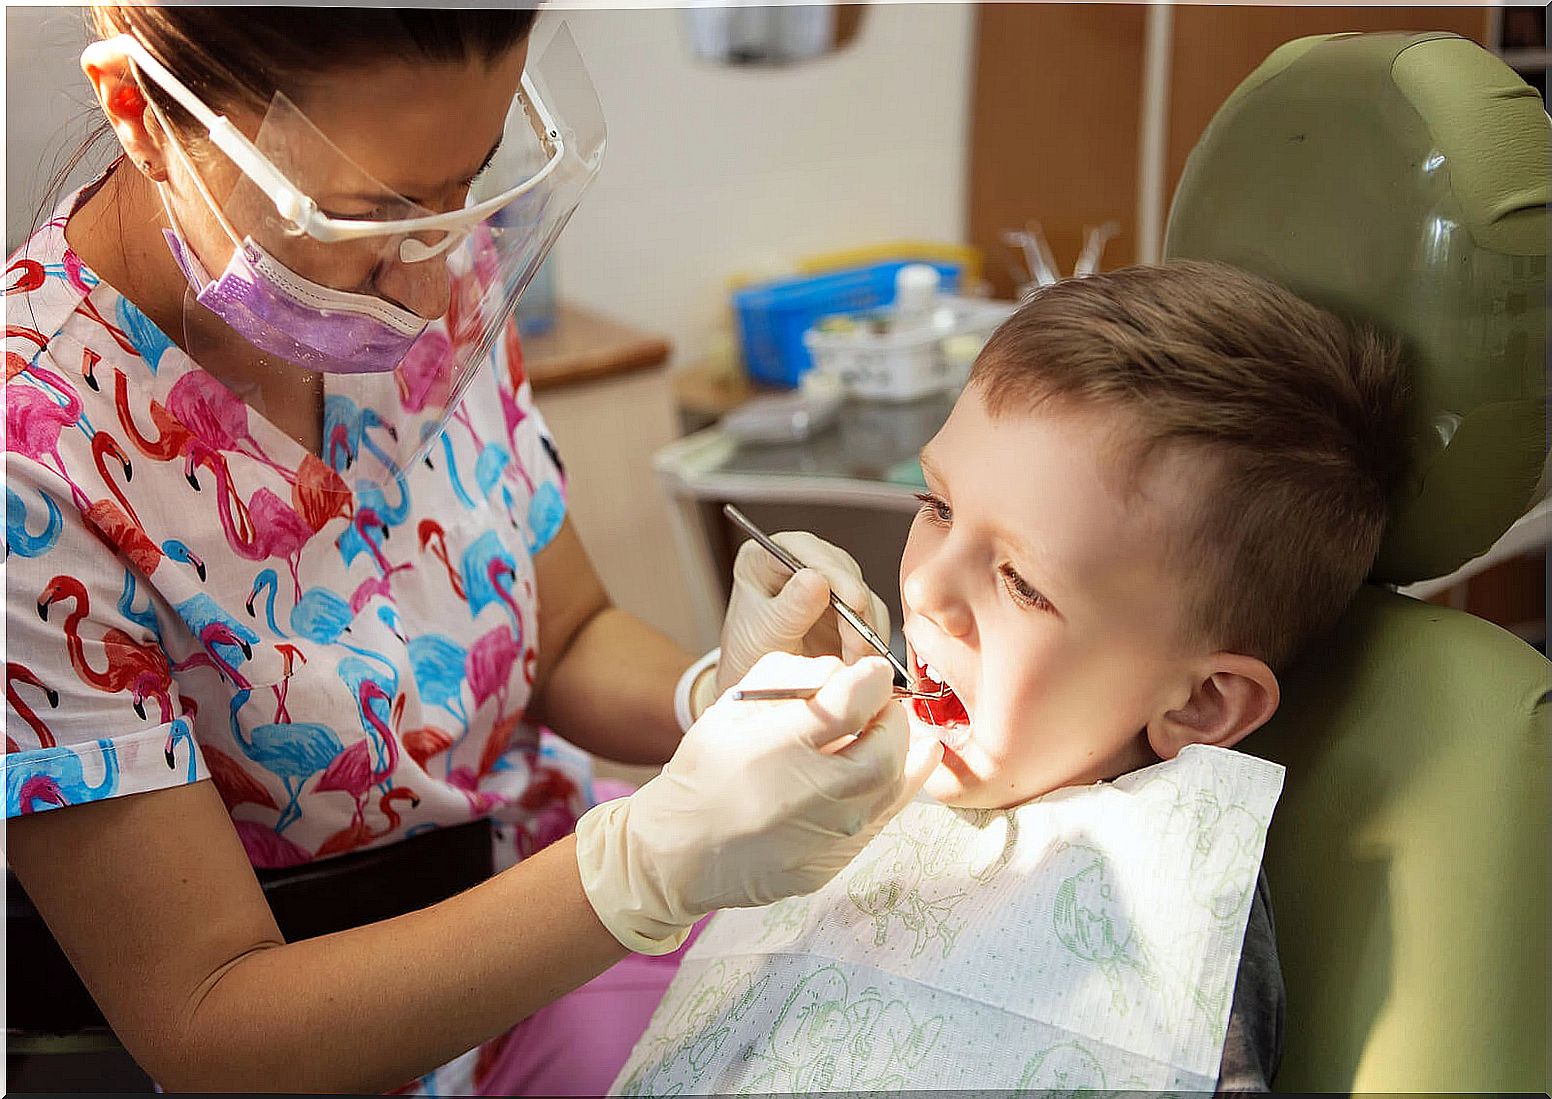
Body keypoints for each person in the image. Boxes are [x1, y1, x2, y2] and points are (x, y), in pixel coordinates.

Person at [2, 7, 939, 1093]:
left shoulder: (429, 273)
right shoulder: (38, 465)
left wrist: (720, 696)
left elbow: (565, 633)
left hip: (548, 933)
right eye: (364, 217)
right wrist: (640, 865)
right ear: (140, 115)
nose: (432, 283)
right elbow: (212, 1022)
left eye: (466, 187)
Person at [612, 261, 1409, 1093]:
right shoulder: (846, 788)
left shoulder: (1173, 926)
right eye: (936, 504)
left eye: (1022, 583)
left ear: (1203, 702)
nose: (921, 587)